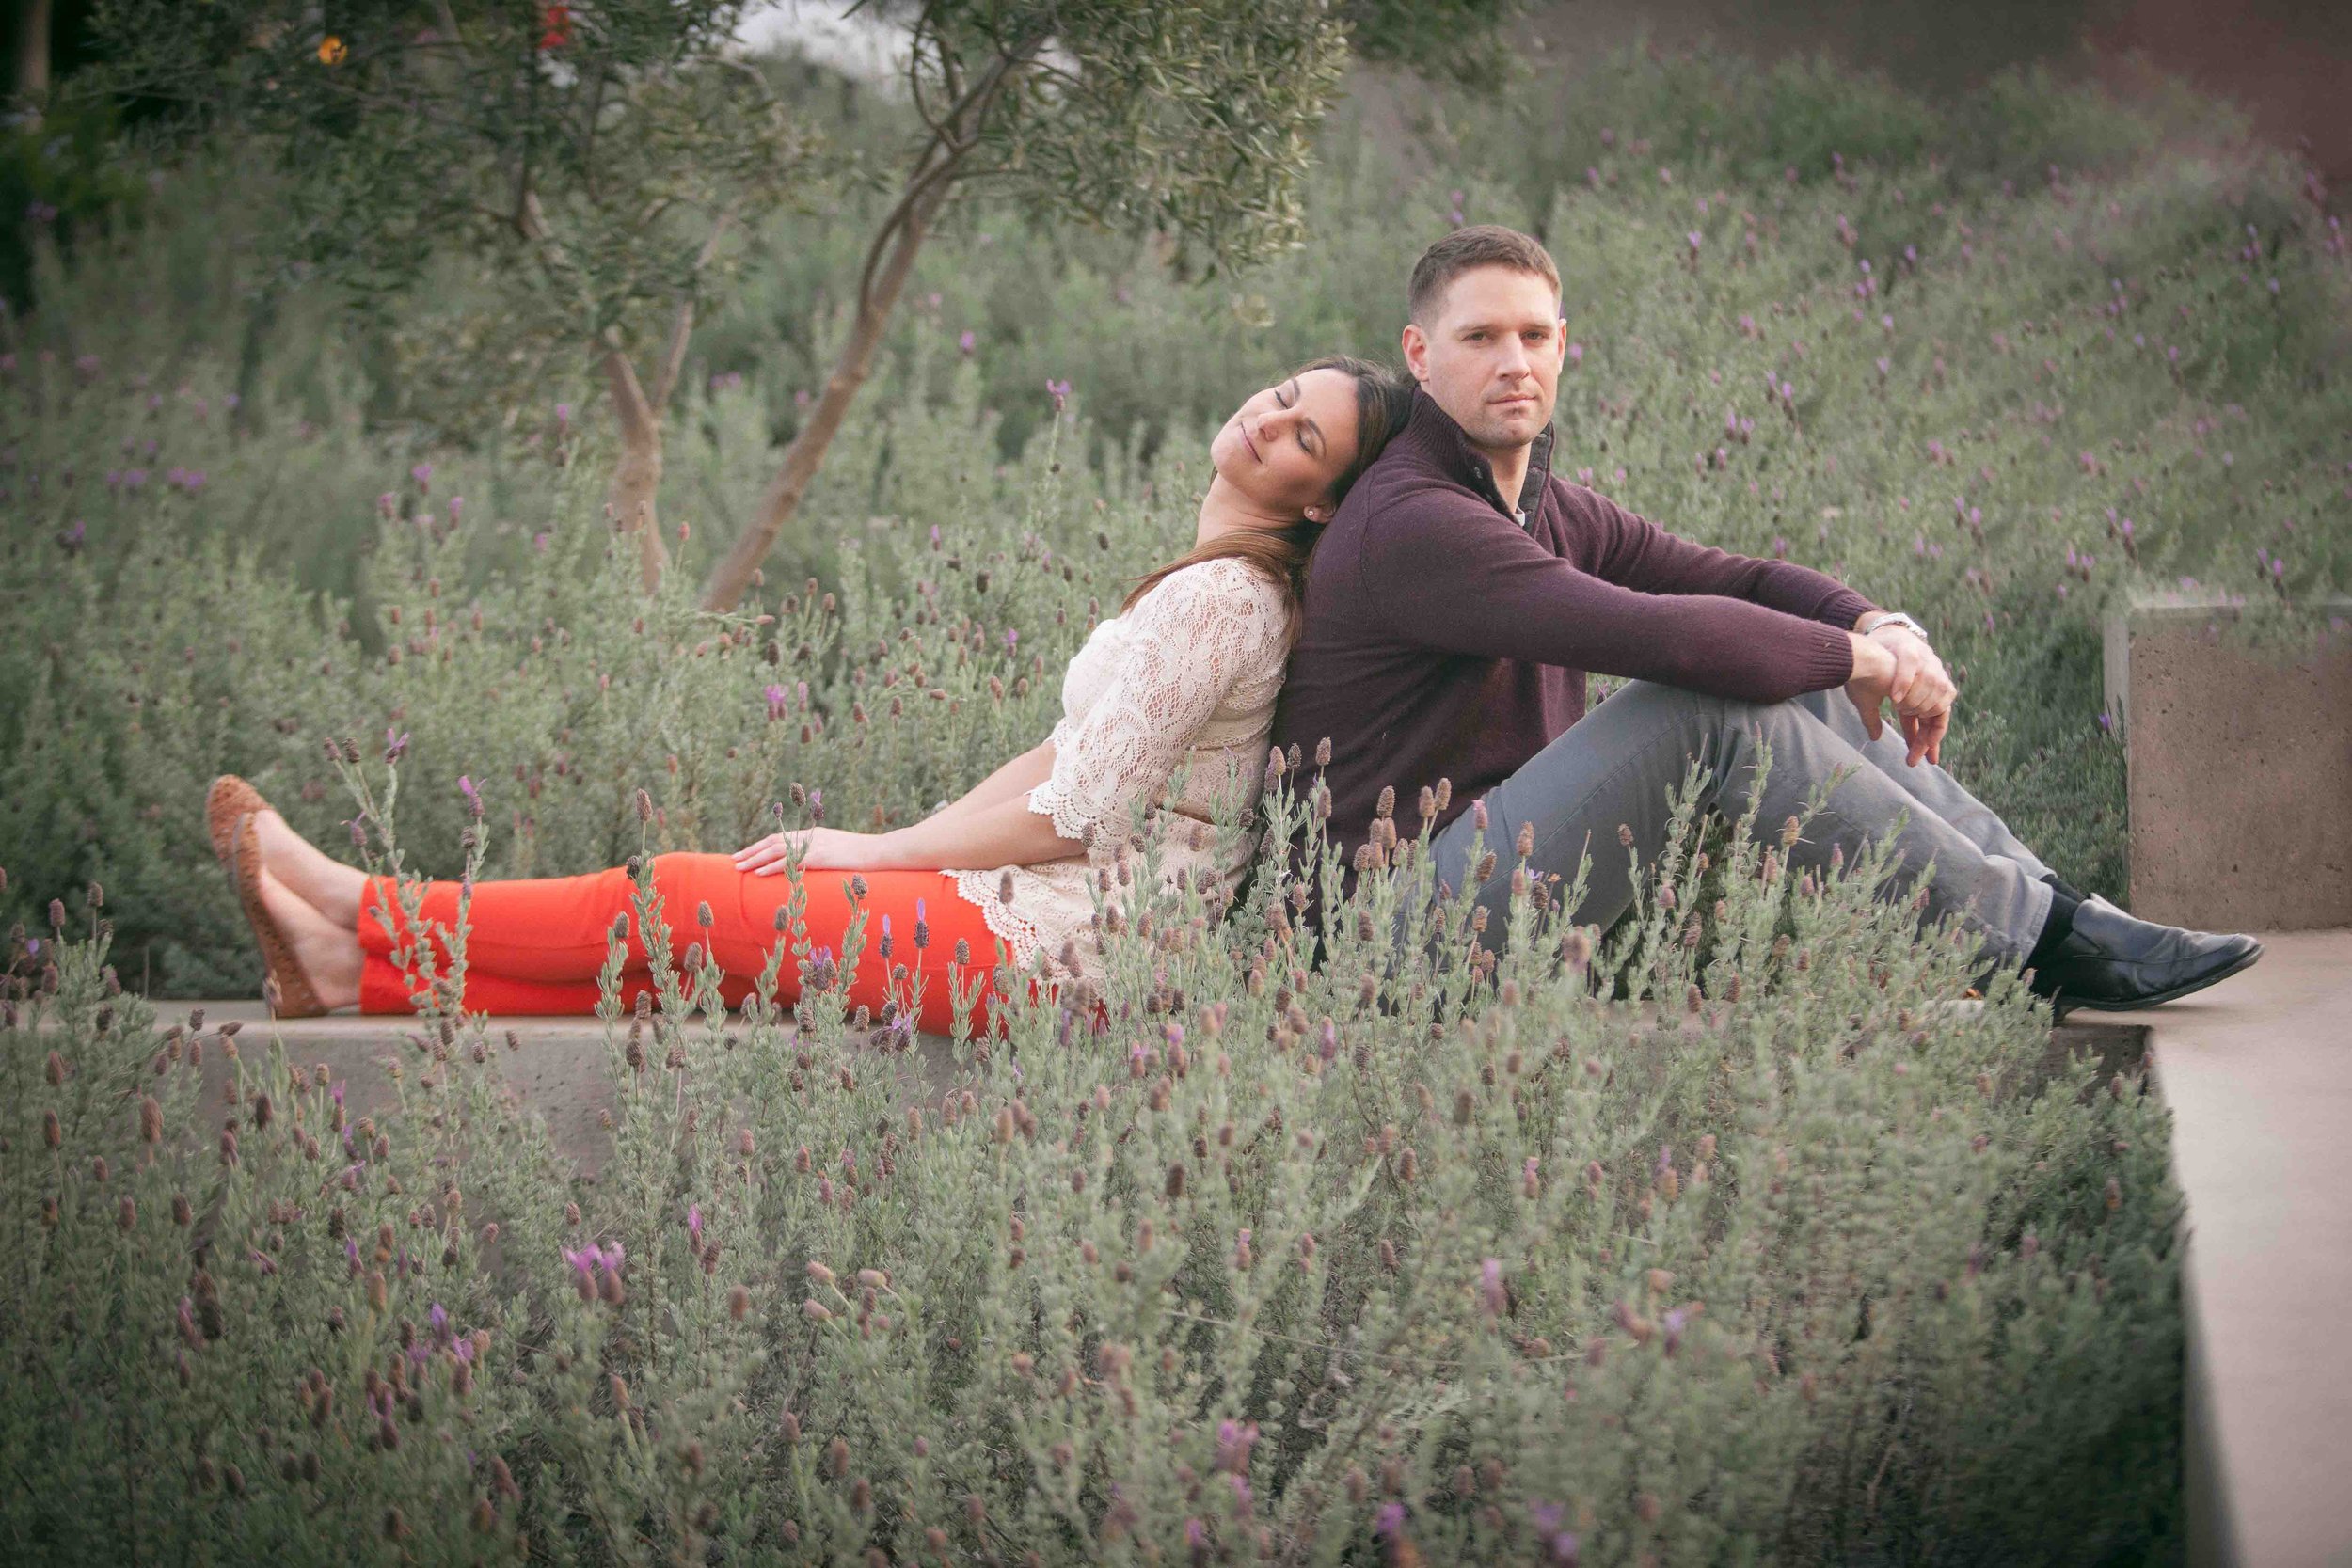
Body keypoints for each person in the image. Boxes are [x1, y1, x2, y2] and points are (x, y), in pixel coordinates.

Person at [213, 356, 1417, 1033]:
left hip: (1080, 949)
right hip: (1052, 912)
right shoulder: (1213, 584)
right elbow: (1065, 758)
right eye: (1279, 396)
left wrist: (876, 850)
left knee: (680, 899)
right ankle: (350, 975)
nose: (1269, 421)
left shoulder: (1224, 599)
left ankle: (361, 904)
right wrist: (913, 850)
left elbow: (1079, 814)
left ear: (1320, 500)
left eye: (1304, 438)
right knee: (702, 963)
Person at [1267, 226, 2262, 1016]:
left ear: (1563, 345)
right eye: (1480, 337)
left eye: (1533, 335)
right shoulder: (1416, 520)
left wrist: (1881, 625)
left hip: (1486, 883)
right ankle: (2035, 944)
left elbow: (1730, 577)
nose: (1513, 361)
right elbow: (1667, 638)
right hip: (1385, 939)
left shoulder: (1536, 503)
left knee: (1796, 677)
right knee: (1707, 704)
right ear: (1420, 354)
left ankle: (2056, 917)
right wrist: (1854, 656)